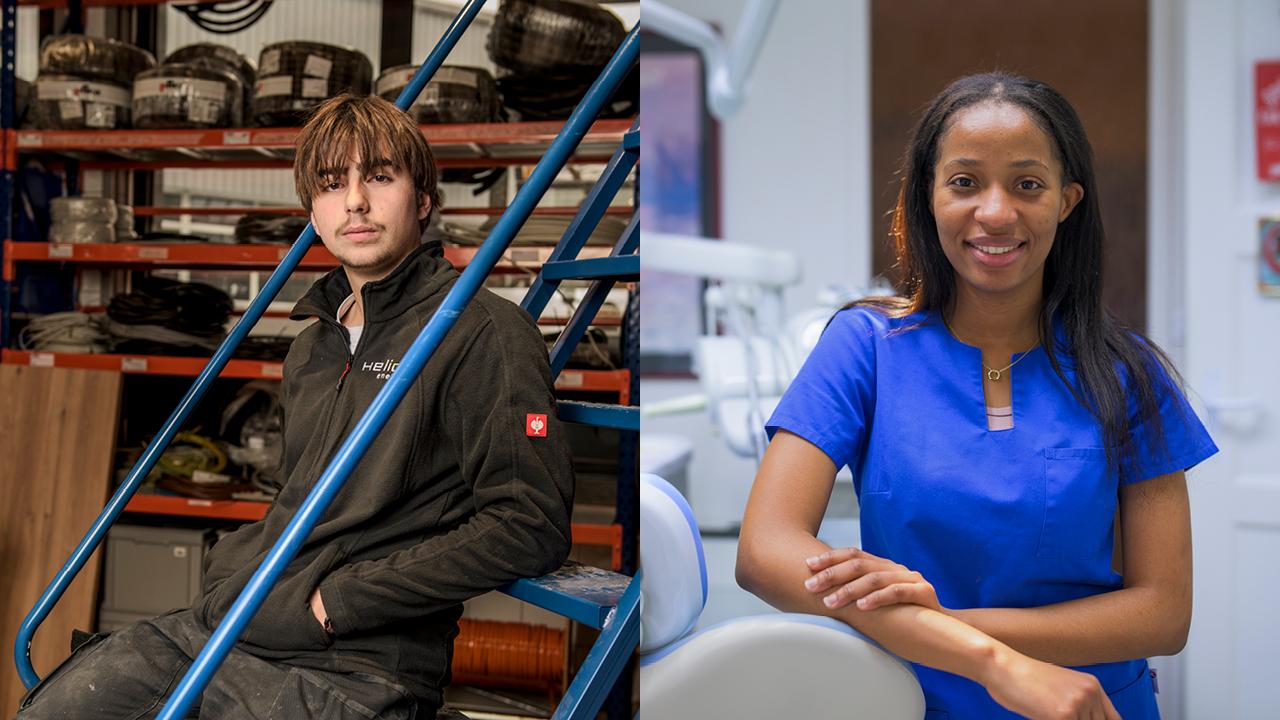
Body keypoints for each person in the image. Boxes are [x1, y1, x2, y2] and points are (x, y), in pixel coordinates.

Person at [15, 94, 575, 720]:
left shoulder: (482, 332)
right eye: (333, 185)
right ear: (314, 208)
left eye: (380, 177)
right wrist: (236, 570)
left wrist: (335, 603)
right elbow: (293, 493)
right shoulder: (313, 344)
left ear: (422, 200)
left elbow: (527, 525)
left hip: (358, 667)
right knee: (58, 707)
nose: (355, 201)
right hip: (237, 623)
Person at [736, 73, 1217, 719]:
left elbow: (1163, 612)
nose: (995, 212)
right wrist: (994, 662)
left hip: (1087, 704)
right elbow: (766, 552)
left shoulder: (1127, 374)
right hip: (911, 700)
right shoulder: (866, 345)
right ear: (927, 197)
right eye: (964, 182)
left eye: (1027, 184)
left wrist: (946, 621)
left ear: (1066, 200)